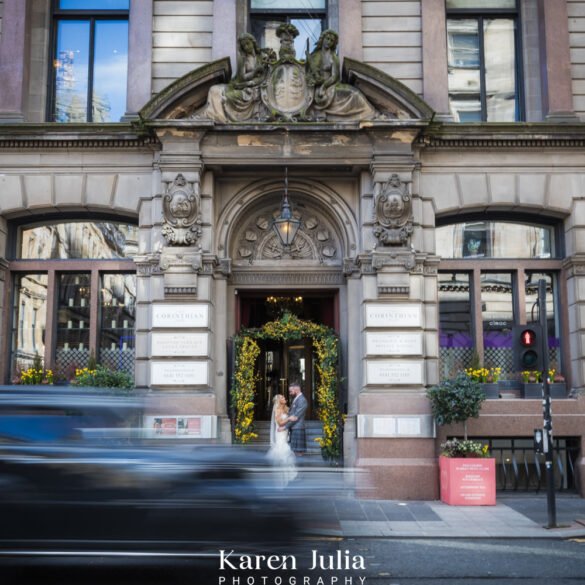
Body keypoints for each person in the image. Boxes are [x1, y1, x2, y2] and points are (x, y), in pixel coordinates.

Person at [305, 29, 376, 121]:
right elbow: (308, 74)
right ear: (322, 39)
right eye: (327, 39)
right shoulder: (314, 56)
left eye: (331, 41)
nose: (329, 42)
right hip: (315, 89)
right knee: (353, 94)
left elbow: (334, 77)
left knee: (355, 93)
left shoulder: (333, 57)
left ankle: (371, 114)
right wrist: (315, 80)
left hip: (329, 86)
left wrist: (323, 86)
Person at [201, 33, 267, 123]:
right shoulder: (243, 59)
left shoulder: (262, 57)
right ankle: (218, 116)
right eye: (244, 46)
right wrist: (255, 72)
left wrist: (252, 81)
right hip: (239, 85)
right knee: (214, 89)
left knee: (224, 94)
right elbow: (242, 77)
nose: (247, 47)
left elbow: (264, 76)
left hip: (253, 88)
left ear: (253, 43)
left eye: (248, 43)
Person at [267, 394, 297, 487]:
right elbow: (280, 423)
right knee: (283, 453)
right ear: (279, 401)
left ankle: (286, 478)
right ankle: (282, 479)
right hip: (280, 434)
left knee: (285, 454)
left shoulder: (286, 408)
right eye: (283, 398)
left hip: (285, 433)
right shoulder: (277, 410)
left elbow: (292, 415)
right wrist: (289, 418)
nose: (285, 398)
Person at [280, 382, 308, 455]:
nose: (290, 393)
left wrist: (285, 427)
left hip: (298, 428)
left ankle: (300, 466)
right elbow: (291, 415)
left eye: (291, 391)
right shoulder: (296, 398)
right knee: (295, 452)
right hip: (294, 428)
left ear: (296, 389)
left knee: (298, 452)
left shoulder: (302, 400)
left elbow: (295, 417)